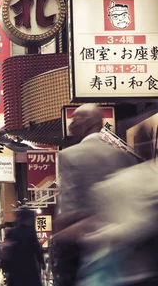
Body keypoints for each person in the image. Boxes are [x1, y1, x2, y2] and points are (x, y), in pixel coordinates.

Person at [54, 104, 137, 286]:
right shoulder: (121, 156)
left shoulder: (69, 155)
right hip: (118, 242)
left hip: (81, 244)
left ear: (89, 123)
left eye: (75, 120)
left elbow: (70, 203)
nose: (70, 125)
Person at [1, 208, 45, 286]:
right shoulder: (30, 232)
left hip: (14, 269)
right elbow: (37, 249)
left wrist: (4, 265)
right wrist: (42, 263)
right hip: (30, 268)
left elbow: (6, 250)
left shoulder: (11, 233)